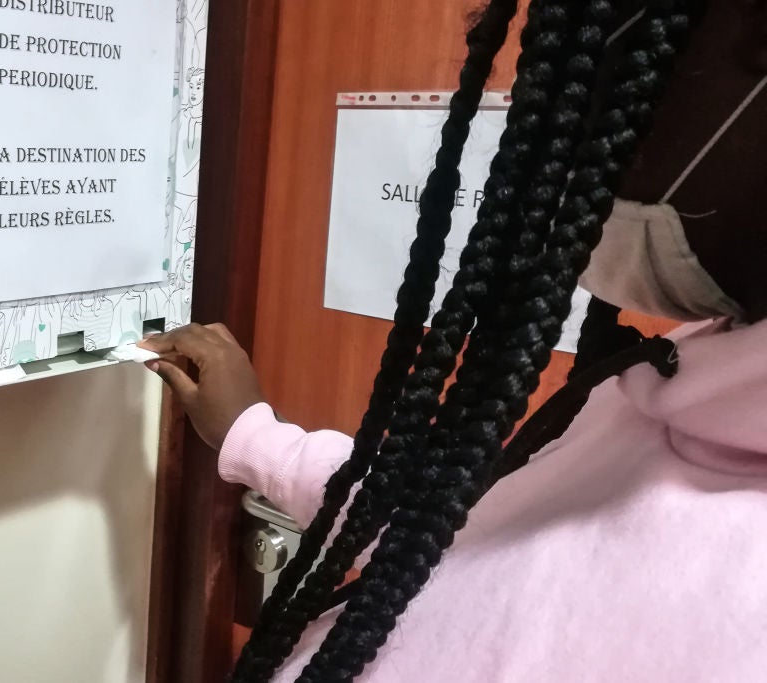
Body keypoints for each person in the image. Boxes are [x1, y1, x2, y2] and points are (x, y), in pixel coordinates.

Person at [140, 0, 767, 680]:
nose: (570, 146)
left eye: (617, 82)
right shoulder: (677, 384)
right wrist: (255, 435)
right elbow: (452, 531)